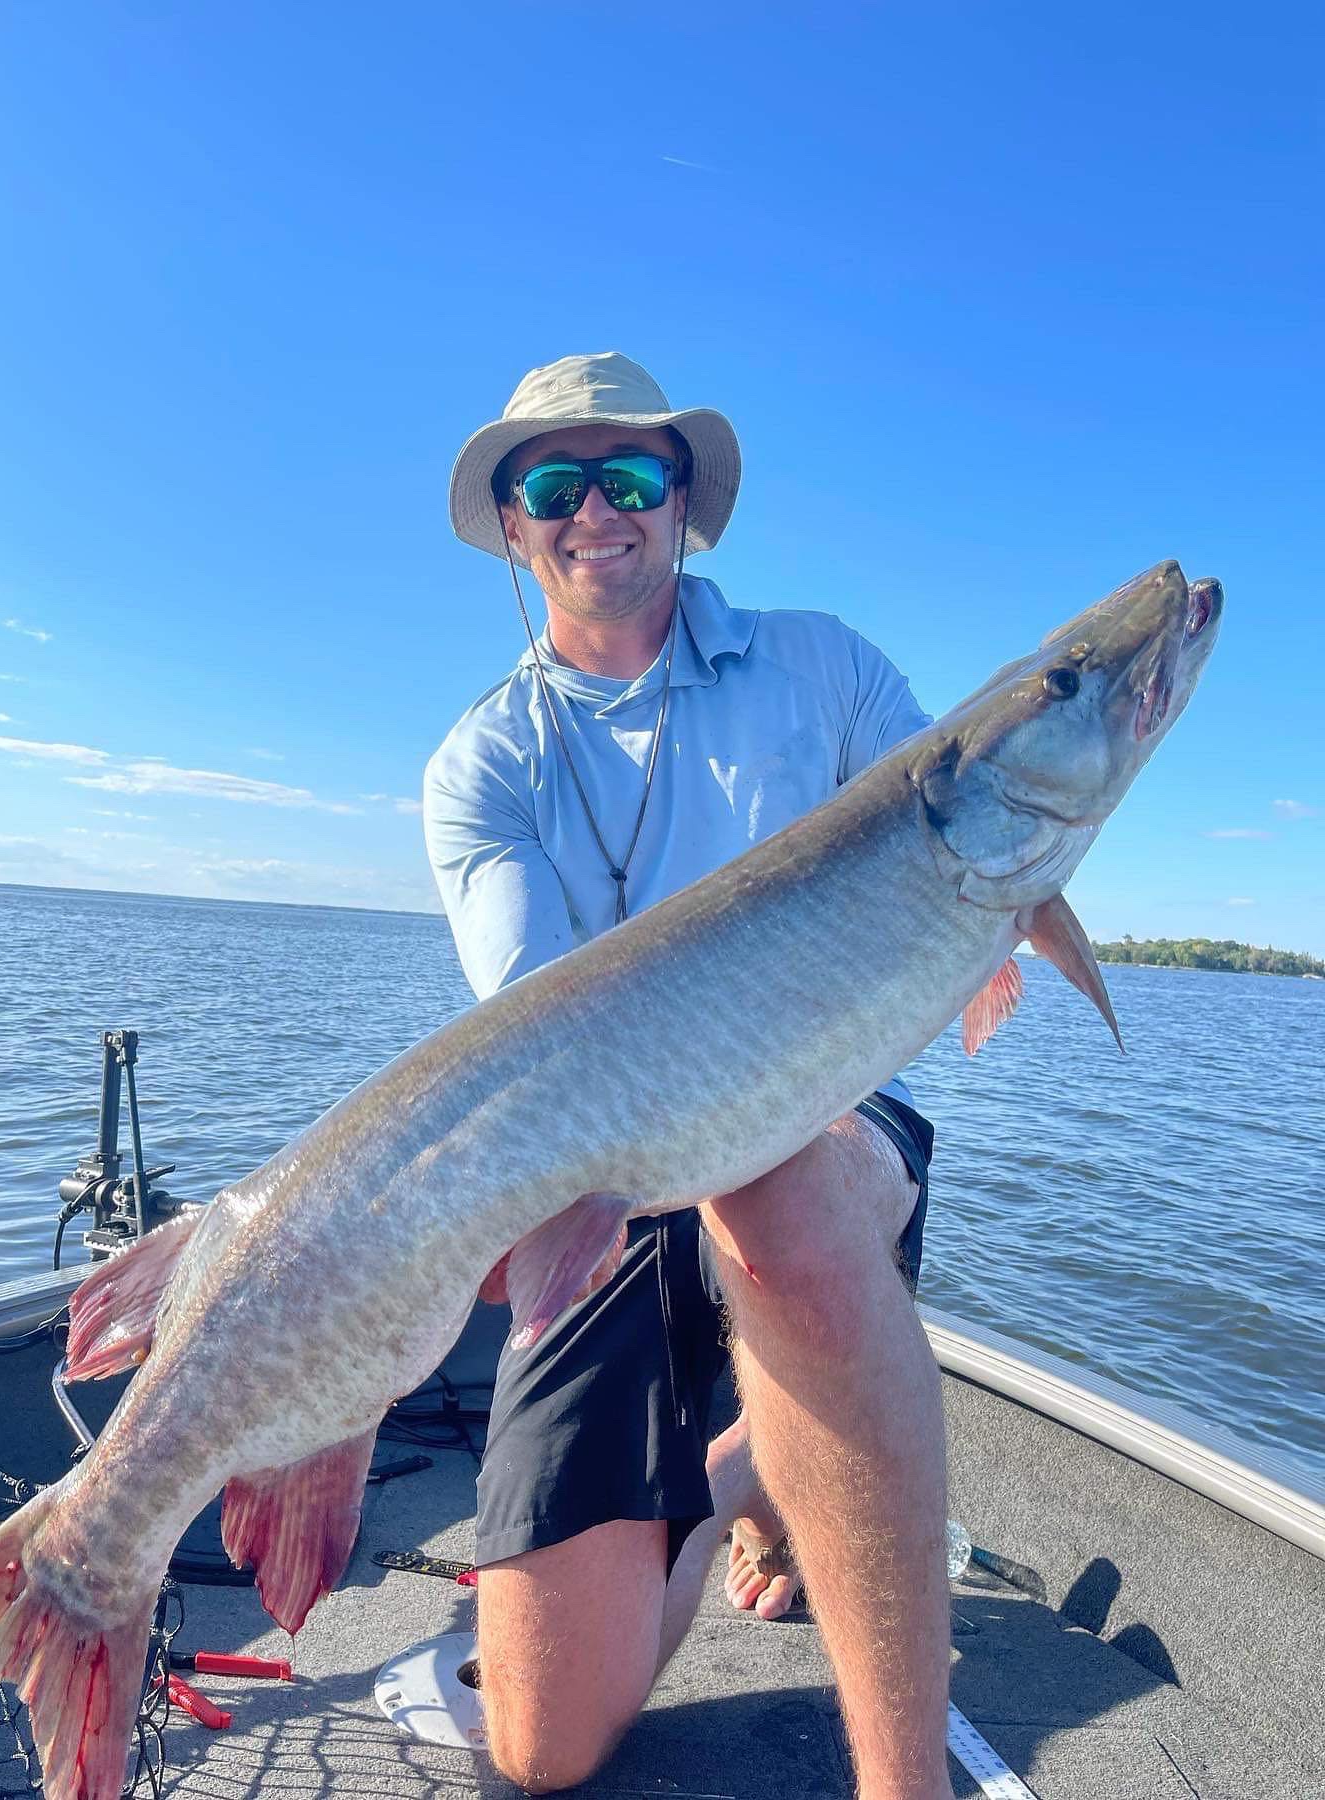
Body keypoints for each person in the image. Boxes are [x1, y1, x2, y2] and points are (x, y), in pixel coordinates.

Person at [423, 352, 951, 1800]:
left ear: (683, 502)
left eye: (634, 475)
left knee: (780, 1201)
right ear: (519, 527)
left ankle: (905, 1780)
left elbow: (942, 864)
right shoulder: (483, 762)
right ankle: (740, 1476)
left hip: (830, 1111)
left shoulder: (827, 668)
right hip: (612, 1159)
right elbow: (540, 1020)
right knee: (542, 1751)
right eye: (556, 482)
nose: (598, 507)